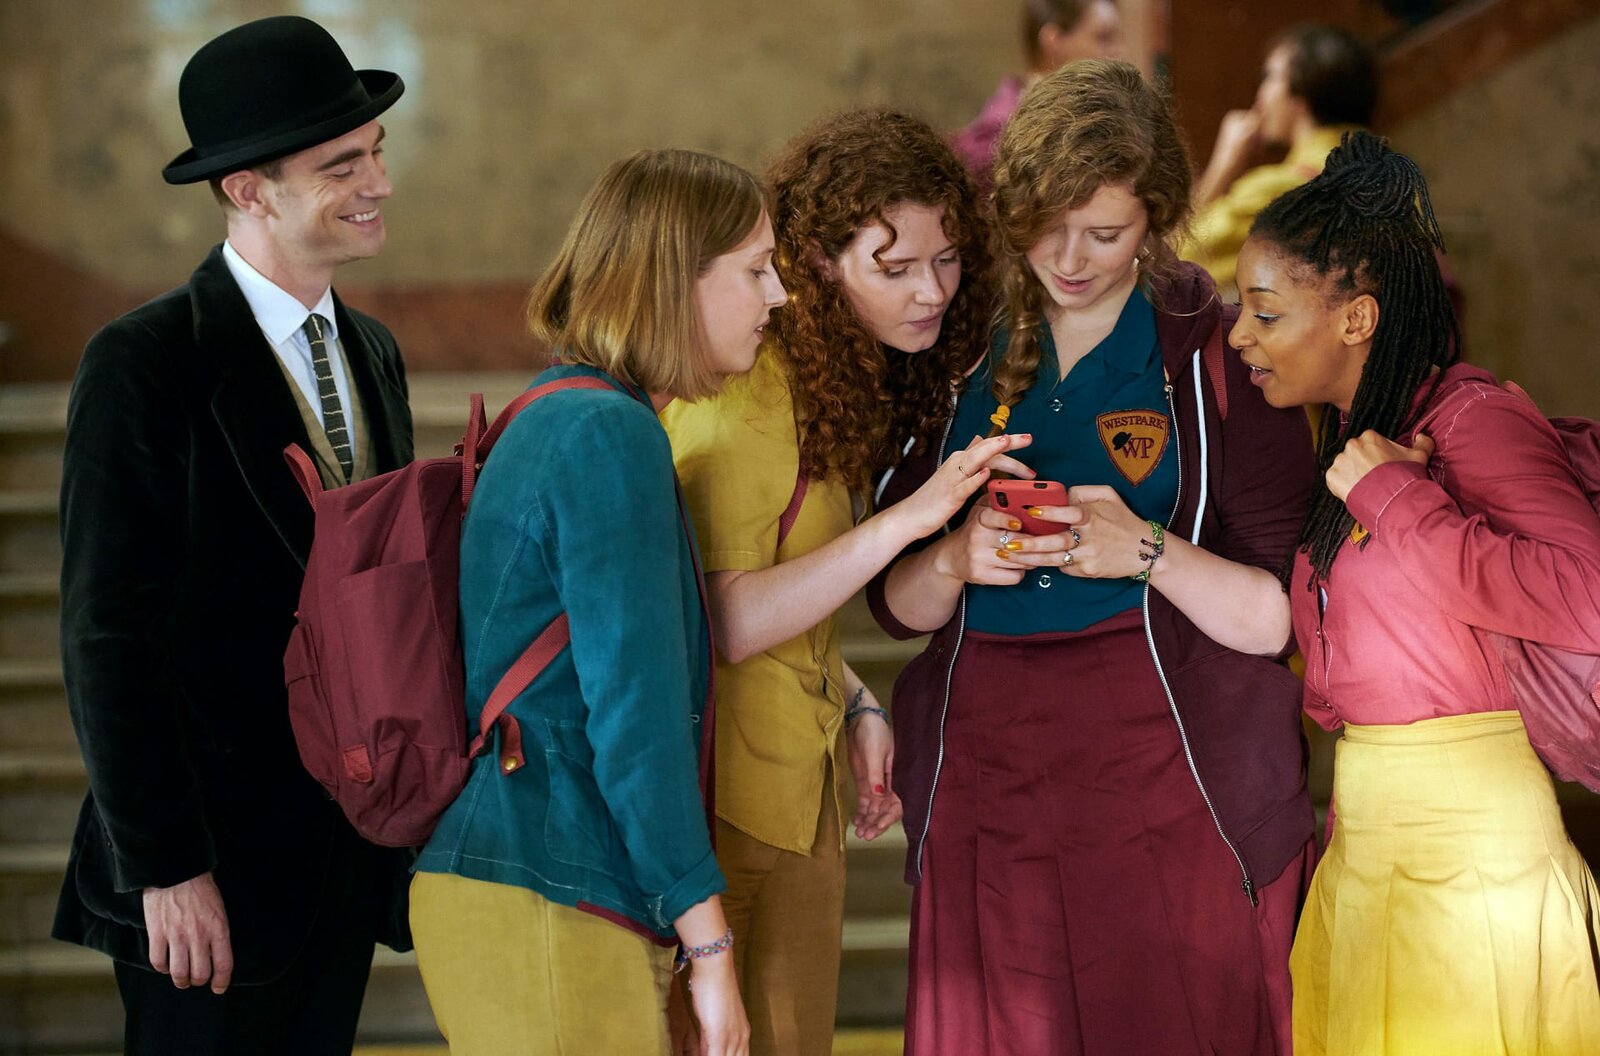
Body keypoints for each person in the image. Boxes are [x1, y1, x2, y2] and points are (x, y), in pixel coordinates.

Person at [868, 60, 1319, 1055]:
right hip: (986, 751)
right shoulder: (951, 346)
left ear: (1157, 220)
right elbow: (894, 609)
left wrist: (1145, 549)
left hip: (1169, 753)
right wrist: (952, 559)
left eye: (1105, 234)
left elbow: (1276, 618)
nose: (1069, 259)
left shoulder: (1214, 355)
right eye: (1046, 227)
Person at [53, 16, 415, 1055]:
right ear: (248, 190)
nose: (380, 183)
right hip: (204, 870)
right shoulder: (143, 361)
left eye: (376, 153)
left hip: (339, 858)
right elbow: (106, 638)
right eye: (343, 166)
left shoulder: (373, 349)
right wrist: (165, 866)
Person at [659, 108, 1028, 1055]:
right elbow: (720, 620)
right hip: (725, 808)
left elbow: (776, 599)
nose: (930, 291)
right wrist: (911, 520)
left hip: (790, 783)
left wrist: (855, 695)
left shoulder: (826, 379)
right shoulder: (747, 391)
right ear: (818, 264)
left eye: (946, 259)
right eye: (892, 267)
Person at [1231, 130, 1600, 1055]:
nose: (1240, 336)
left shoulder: (1473, 420)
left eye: (1265, 314)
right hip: (1366, 854)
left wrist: (1399, 497)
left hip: (1478, 871)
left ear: (1356, 319)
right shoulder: (1354, 440)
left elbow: (1587, 596)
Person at [409, 148, 780, 1056]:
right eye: (757, 270)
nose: (779, 296)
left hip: (536, 877)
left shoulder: (568, 411)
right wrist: (712, 948)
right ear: (674, 281)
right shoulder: (609, 433)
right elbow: (637, 722)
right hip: (546, 881)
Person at [1183, 24, 1376, 295]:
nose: (1260, 96)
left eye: (1269, 77)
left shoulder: (1277, 190)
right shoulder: (1396, 180)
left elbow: (1177, 256)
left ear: (1303, 89)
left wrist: (1223, 164)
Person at [951, 0, 1122, 194]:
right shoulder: (998, 134)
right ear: (1053, 40)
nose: (1116, 51)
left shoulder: (1102, 115)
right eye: (1103, 38)